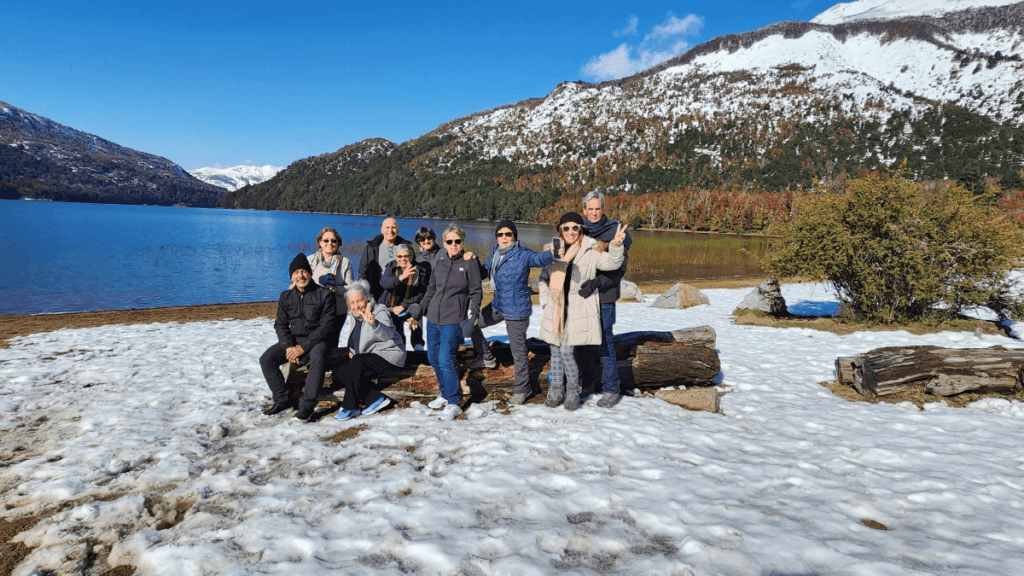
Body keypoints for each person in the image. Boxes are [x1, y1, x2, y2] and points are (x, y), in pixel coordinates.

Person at [538, 213, 626, 411]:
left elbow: (611, 264)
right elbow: (543, 279)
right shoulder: (553, 250)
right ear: (560, 230)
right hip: (556, 308)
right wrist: (545, 301)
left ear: (581, 229)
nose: (570, 232)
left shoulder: (590, 248)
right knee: (555, 350)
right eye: (566, 228)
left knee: (567, 350)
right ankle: (555, 389)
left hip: (579, 309)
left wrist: (617, 245)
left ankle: (573, 389)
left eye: (574, 228)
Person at [468, 220, 553, 404]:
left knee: (518, 352)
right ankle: (487, 358)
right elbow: (484, 273)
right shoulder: (495, 252)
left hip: (517, 309)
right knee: (472, 324)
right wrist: (473, 260)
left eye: (508, 234)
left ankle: (523, 388)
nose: (504, 238)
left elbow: (540, 259)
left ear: (514, 236)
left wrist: (556, 251)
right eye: (500, 234)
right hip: (498, 305)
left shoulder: (523, 254)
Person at [408, 223, 483, 421]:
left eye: (457, 241)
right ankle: (445, 392)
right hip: (433, 318)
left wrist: (473, 314)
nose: (453, 245)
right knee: (433, 357)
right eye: (449, 241)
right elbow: (431, 290)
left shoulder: (469, 263)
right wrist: (419, 312)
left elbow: (476, 291)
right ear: (444, 243)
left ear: (463, 242)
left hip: (454, 319)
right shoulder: (440, 263)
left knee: (445, 359)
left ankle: (454, 402)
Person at [260, 253, 339, 422]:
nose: (300, 275)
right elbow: (280, 325)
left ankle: (307, 406)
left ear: (310, 273)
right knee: (267, 359)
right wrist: (289, 347)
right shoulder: (286, 297)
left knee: (318, 356)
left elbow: (327, 327)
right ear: (291, 276)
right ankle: (283, 401)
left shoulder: (324, 295)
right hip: (294, 341)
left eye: (304, 271)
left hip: (319, 340)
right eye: (296, 273)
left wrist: (303, 348)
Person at [581, 190, 633, 407]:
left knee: (604, 340)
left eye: (597, 209)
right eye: (590, 209)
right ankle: (587, 385)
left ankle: (612, 388)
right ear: (584, 210)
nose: (593, 213)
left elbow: (619, 268)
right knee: (584, 340)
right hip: (582, 295)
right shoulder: (579, 229)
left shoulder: (614, 230)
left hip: (604, 295)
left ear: (603, 209)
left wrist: (597, 283)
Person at [334, 280, 406, 420]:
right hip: (368, 358)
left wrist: (374, 324)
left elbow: (388, 334)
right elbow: (357, 339)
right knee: (340, 371)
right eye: (352, 303)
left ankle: (350, 407)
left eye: (359, 301)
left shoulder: (379, 311)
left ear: (367, 299)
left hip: (389, 356)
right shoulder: (356, 316)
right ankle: (375, 398)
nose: (355, 306)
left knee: (357, 362)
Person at [306, 226, 353, 346]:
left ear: (338, 243)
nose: (330, 243)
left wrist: (336, 290)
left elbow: (351, 288)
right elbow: (302, 281)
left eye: (333, 240)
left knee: (331, 344)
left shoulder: (345, 262)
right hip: (313, 310)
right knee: (313, 342)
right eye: (326, 240)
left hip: (337, 311)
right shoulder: (310, 261)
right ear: (320, 242)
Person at [378, 244, 429, 346]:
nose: (403, 259)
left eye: (406, 256)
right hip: (389, 306)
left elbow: (421, 294)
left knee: (416, 308)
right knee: (396, 334)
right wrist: (401, 277)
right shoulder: (391, 267)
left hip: (407, 306)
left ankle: (417, 344)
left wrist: (403, 306)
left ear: (411, 256)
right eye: (399, 256)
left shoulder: (419, 271)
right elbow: (384, 283)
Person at [359, 218, 410, 301]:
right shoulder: (371, 248)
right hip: (376, 293)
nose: (390, 230)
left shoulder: (406, 248)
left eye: (393, 227)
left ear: (398, 230)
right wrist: (366, 294)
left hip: (398, 294)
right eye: (387, 227)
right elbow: (362, 273)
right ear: (382, 230)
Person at [410, 226, 441, 351]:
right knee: (415, 307)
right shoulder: (418, 260)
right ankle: (418, 344)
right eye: (422, 240)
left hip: (441, 297)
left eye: (429, 238)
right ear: (418, 242)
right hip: (426, 297)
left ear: (433, 238)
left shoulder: (443, 254)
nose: (426, 241)